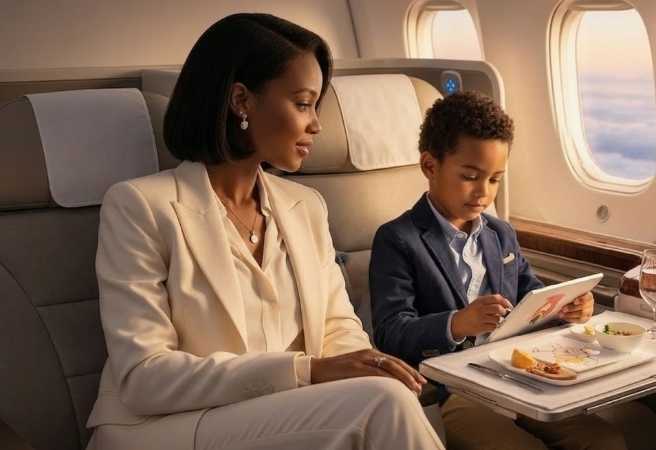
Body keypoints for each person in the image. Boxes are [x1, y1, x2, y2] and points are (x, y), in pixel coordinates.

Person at [86, 13, 444, 450]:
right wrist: (305, 370)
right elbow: (145, 377)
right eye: (302, 103)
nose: (317, 124)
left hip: (281, 415)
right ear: (241, 100)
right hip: (170, 426)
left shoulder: (304, 206)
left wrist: (367, 365)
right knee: (382, 405)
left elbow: (337, 329)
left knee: (394, 394)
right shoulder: (140, 206)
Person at [369, 91, 626, 450]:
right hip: (451, 391)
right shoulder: (398, 239)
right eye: (470, 176)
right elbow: (390, 332)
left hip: (514, 375)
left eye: (495, 179)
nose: (483, 193)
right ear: (430, 166)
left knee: (606, 442)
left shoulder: (499, 233)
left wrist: (565, 309)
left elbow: (530, 297)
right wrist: (457, 323)